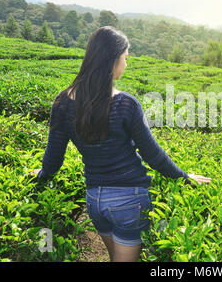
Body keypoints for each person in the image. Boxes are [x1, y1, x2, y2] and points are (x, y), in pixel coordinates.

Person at [30, 26, 211, 262]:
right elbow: (152, 154)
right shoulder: (126, 104)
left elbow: (54, 156)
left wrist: (42, 175)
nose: (126, 65)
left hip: (95, 200)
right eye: (125, 59)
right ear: (112, 61)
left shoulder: (63, 102)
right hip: (130, 199)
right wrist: (183, 176)